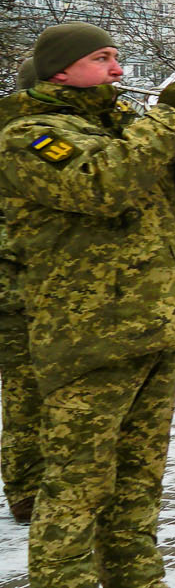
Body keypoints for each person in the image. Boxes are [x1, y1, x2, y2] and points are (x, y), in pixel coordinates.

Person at [1, 23, 175, 588]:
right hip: (86, 335)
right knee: (76, 480)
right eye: (99, 58)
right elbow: (106, 186)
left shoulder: (122, 126)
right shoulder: (32, 135)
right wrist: (165, 117)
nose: (115, 67)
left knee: (137, 474)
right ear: (57, 72)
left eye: (114, 55)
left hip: (149, 326)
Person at [2, 60, 41, 525]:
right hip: (13, 288)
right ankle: (25, 486)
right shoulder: (14, 140)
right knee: (23, 393)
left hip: (54, 287)